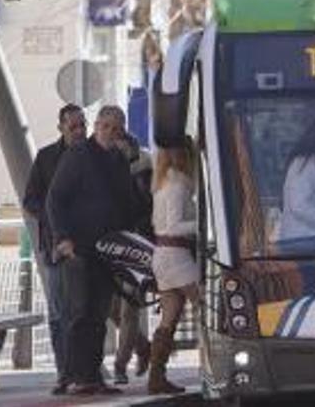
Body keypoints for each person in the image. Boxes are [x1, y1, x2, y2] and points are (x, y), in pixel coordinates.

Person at [47, 105, 138, 396]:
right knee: (79, 312)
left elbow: (129, 202)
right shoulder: (78, 156)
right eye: (106, 126)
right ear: (97, 126)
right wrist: (63, 239)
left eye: (117, 128)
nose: (111, 132)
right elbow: (55, 199)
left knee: (98, 314)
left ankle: (93, 376)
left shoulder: (118, 159)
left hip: (107, 249)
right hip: (79, 248)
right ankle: (74, 376)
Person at [22, 103, 88, 395]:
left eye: (82, 125)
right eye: (73, 126)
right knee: (60, 312)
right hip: (56, 247)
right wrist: (52, 218)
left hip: (89, 245)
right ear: (60, 127)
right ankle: (65, 372)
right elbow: (31, 200)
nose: (78, 131)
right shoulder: (47, 158)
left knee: (87, 312)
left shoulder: (94, 155)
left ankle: (87, 370)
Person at [148, 138, 200, 394]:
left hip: (162, 255)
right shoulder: (178, 185)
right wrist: (202, 224)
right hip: (176, 255)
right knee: (208, 305)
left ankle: (156, 376)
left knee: (169, 318)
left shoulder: (162, 183)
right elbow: (173, 226)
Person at [109, 130, 152, 385]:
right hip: (112, 246)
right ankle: (143, 346)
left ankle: (120, 365)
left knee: (129, 310)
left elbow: (148, 207)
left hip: (136, 247)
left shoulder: (144, 170)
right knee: (111, 309)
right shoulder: (105, 172)